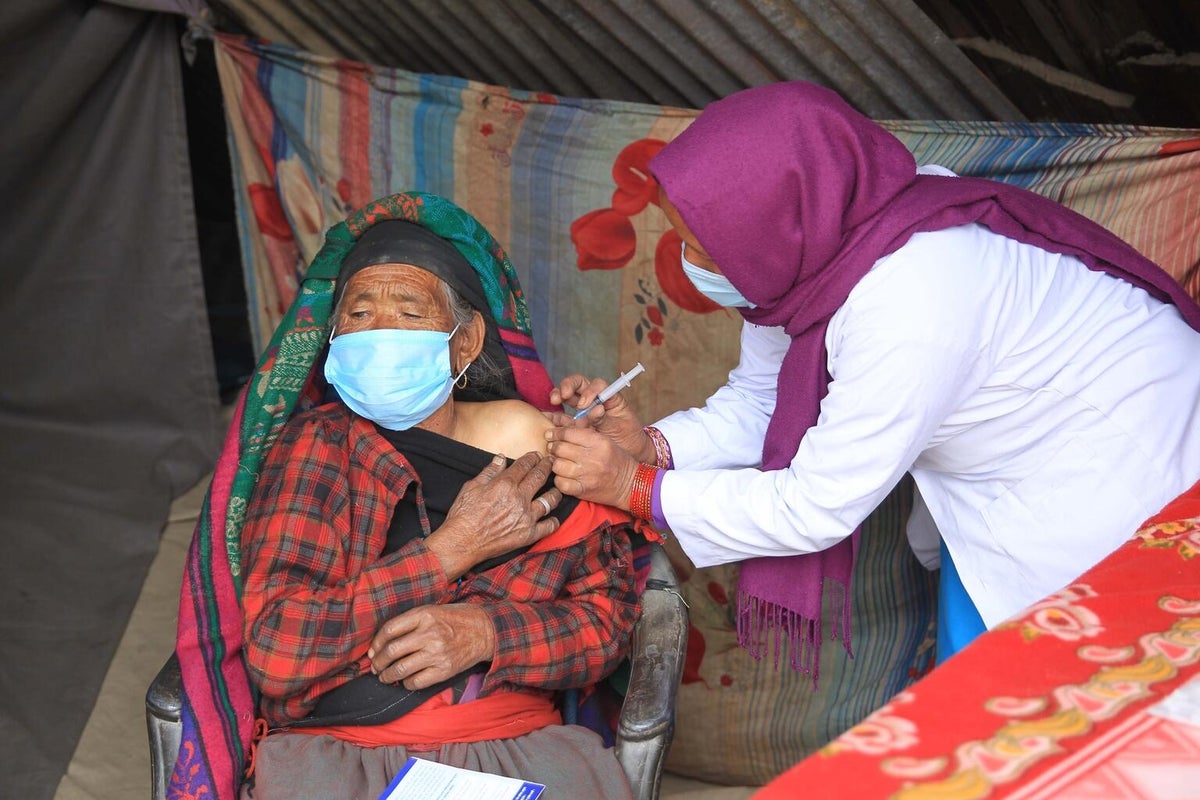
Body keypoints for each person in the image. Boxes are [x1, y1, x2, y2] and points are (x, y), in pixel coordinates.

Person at [544, 80, 1200, 670]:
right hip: (1007, 479)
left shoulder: (914, 297)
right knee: (990, 695)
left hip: (1115, 475)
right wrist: (652, 448)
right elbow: (761, 399)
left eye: (698, 245)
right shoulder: (816, 250)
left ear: (779, 222)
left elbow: (815, 504)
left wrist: (635, 487)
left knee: (1098, 691)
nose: (688, 260)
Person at [237, 200, 641, 800]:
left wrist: (486, 632)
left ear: (464, 343)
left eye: (407, 314)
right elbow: (278, 648)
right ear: (333, 337)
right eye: (359, 314)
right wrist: (449, 551)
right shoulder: (317, 448)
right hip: (339, 753)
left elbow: (605, 627)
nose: (379, 335)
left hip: (513, 746)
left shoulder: (544, 456)